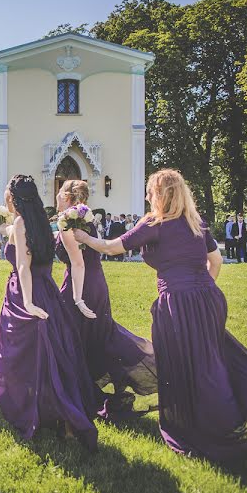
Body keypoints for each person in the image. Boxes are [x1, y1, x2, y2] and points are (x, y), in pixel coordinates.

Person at [75, 169, 247, 460]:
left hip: (177, 301)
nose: (147, 195)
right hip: (209, 298)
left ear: (161, 194)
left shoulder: (155, 222)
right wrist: (202, 288)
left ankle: (199, 427)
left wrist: (81, 235)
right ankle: (223, 419)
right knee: (207, 361)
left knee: (180, 366)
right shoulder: (194, 221)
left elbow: (112, 248)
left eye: (150, 191)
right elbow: (216, 260)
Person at [0, 175, 98, 451]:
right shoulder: (43, 220)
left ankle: (33, 407)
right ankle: (63, 416)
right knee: (52, 352)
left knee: (20, 354)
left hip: (25, 291)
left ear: (14, 199)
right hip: (49, 289)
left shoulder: (22, 222)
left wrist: (27, 302)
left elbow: (24, 267)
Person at [55, 180, 158, 420]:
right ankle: (81, 384)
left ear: (69, 198)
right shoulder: (86, 219)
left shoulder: (68, 223)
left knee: (72, 335)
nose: (57, 196)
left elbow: (78, 263)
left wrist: (77, 298)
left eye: (61, 192)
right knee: (95, 334)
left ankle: (75, 388)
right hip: (97, 283)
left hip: (80, 285)